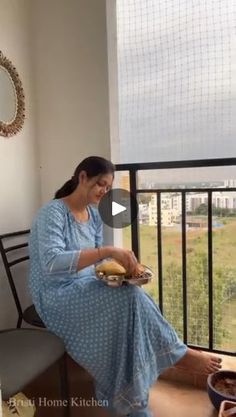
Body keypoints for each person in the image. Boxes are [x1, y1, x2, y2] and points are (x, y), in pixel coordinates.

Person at [29, 156, 221, 417]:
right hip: (55, 296)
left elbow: (96, 263)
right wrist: (107, 251)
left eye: (108, 188)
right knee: (129, 299)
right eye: (100, 184)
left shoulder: (93, 216)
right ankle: (176, 354)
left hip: (83, 287)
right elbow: (52, 263)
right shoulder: (52, 213)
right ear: (82, 177)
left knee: (129, 294)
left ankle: (130, 395)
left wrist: (121, 272)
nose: (104, 192)